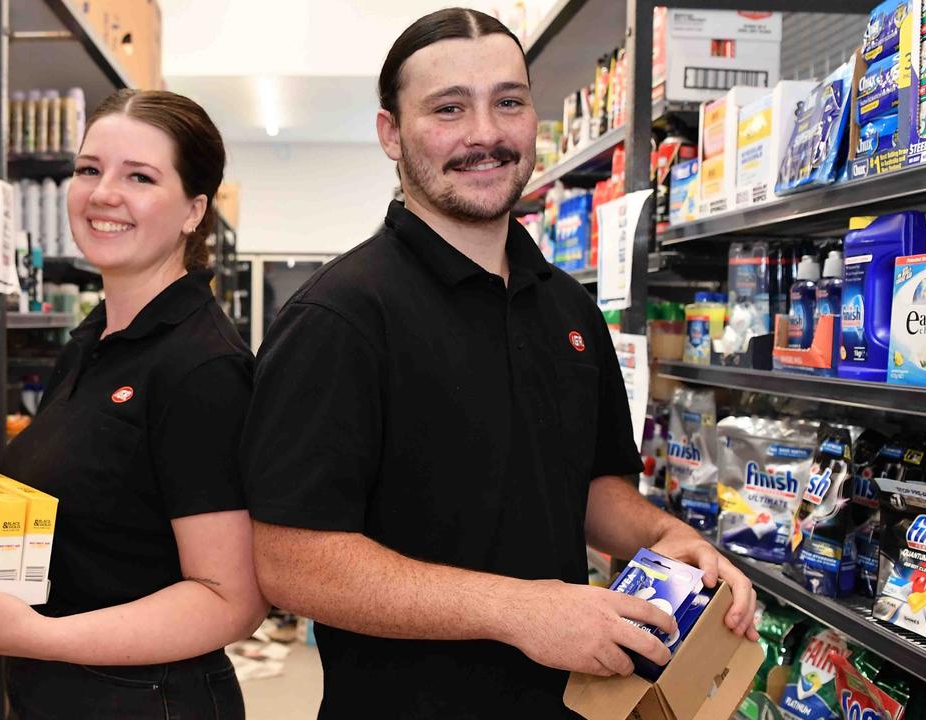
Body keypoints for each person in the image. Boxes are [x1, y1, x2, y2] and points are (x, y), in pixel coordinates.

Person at [239, 8, 758, 718]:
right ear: (391, 132)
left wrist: (667, 537)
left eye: (508, 102)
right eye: (448, 108)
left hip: (575, 703)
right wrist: (519, 610)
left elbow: (587, 487)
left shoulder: (569, 310)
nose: (485, 134)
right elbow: (291, 561)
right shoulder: (340, 318)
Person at [0, 89, 267, 720]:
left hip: (148, 703)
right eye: (89, 169)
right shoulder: (95, 339)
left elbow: (229, 599)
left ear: (194, 209)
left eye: (140, 176)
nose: (103, 193)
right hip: (62, 693)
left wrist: (36, 635)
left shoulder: (199, 366)